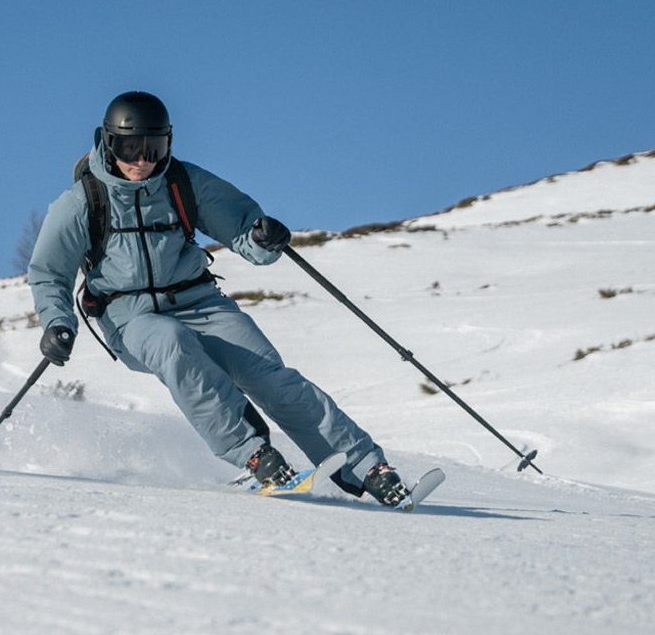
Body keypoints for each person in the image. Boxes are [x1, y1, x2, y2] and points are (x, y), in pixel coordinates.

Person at [26, 91, 411, 506]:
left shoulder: (183, 183)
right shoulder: (82, 202)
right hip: (129, 316)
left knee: (270, 376)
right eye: (129, 147)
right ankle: (255, 456)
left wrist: (265, 236)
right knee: (172, 344)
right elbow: (48, 273)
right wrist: (57, 323)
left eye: (154, 148)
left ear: (169, 143)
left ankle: (367, 466)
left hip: (199, 302)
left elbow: (244, 228)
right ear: (108, 142)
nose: (142, 161)